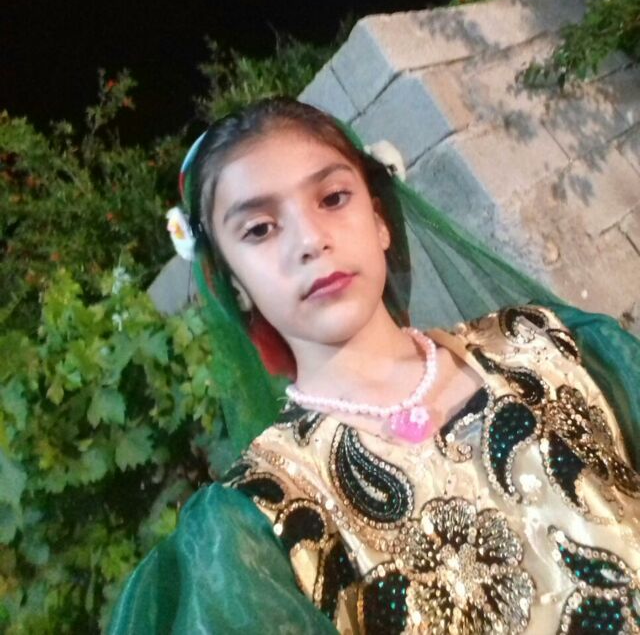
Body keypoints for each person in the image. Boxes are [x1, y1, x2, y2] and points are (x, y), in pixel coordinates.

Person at [108, 98, 640, 634]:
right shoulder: (257, 527)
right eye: (260, 229)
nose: (310, 240)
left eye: (333, 198)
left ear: (380, 220)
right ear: (234, 283)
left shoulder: (546, 347)